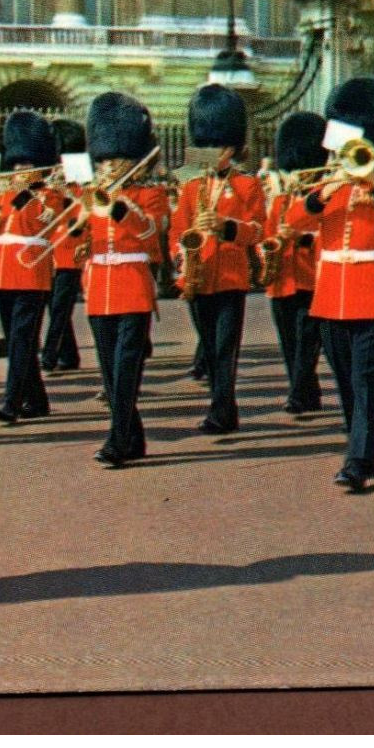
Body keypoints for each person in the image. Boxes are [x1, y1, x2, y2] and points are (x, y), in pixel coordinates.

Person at [285, 77, 374, 493]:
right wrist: (321, 193)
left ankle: (358, 458)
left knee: (366, 381)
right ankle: (364, 447)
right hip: (331, 297)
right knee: (346, 382)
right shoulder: (328, 186)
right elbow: (293, 223)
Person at [170, 84, 266, 435]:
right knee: (209, 348)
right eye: (209, 146)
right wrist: (183, 255)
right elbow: (176, 230)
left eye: (221, 147)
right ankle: (223, 406)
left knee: (225, 348)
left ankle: (221, 412)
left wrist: (227, 227)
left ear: (233, 147)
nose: (215, 153)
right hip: (198, 272)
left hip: (229, 275)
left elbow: (258, 230)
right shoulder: (190, 186)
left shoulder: (247, 186)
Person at [81, 92, 164, 468]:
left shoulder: (151, 194)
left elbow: (150, 235)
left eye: (116, 159)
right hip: (100, 288)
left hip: (132, 283)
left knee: (126, 368)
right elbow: (75, 237)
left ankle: (117, 440)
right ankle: (134, 438)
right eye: (104, 160)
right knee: (109, 369)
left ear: (133, 160)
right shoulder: (89, 197)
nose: (110, 166)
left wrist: (121, 208)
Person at [0, 111, 63, 425]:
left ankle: (11, 401)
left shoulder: (50, 196)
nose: (18, 171)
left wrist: (24, 195)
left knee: (21, 341)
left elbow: (42, 223)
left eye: (25, 166)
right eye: (16, 165)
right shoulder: (4, 194)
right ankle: (37, 399)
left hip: (30, 275)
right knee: (18, 340)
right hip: (1, 273)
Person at [265, 112, 327, 415]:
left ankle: (298, 393)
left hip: (311, 279)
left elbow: (327, 237)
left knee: (306, 342)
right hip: (282, 279)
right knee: (289, 342)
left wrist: (300, 237)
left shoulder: (322, 197)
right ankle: (307, 391)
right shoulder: (279, 202)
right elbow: (265, 235)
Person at [39, 118, 87, 374]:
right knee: (55, 306)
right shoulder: (50, 178)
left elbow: (84, 207)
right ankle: (69, 355)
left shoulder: (81, 175)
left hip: (70, 249)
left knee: (59, 307)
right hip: (51, 249)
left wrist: (65, 192)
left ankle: (49, 355)